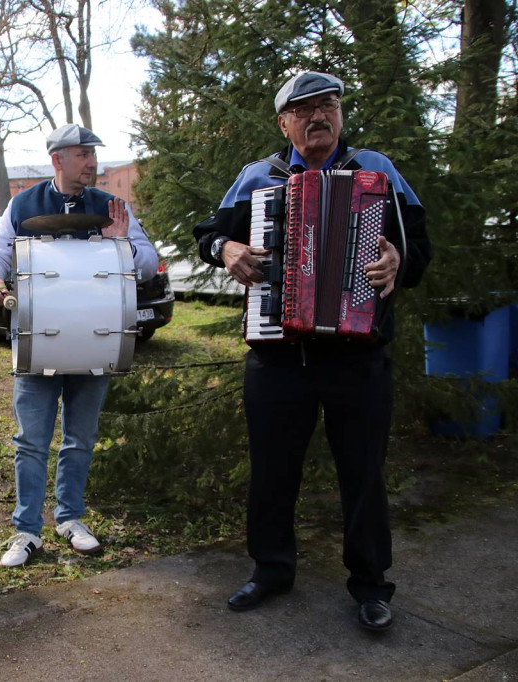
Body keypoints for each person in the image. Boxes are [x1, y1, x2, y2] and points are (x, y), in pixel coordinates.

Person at [192, 71, 432, 631]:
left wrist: (399, 259)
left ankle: (371, 584)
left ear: (341, 114)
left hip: (358, 358)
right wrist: (226, 248)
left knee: (363, 473)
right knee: (272, 470)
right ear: (284, 124)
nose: (319, 115)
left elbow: (420, 247)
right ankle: (272, 570)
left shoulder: (377, 170)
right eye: (304, 109)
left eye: (328, 104)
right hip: (279, 356)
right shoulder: (260, 177)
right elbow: (208, 235)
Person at [0, 124, 159, 568]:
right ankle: (26, 530)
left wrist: (121, 244)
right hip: (37, 339)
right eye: (82, 154)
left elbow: (150, 264)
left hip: (95, 339)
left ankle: (70, 518)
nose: (92, 162)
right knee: (31, 442)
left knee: (80, 438)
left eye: (93, 154)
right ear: (58, 159)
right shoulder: (23, 204)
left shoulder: (112, 207)